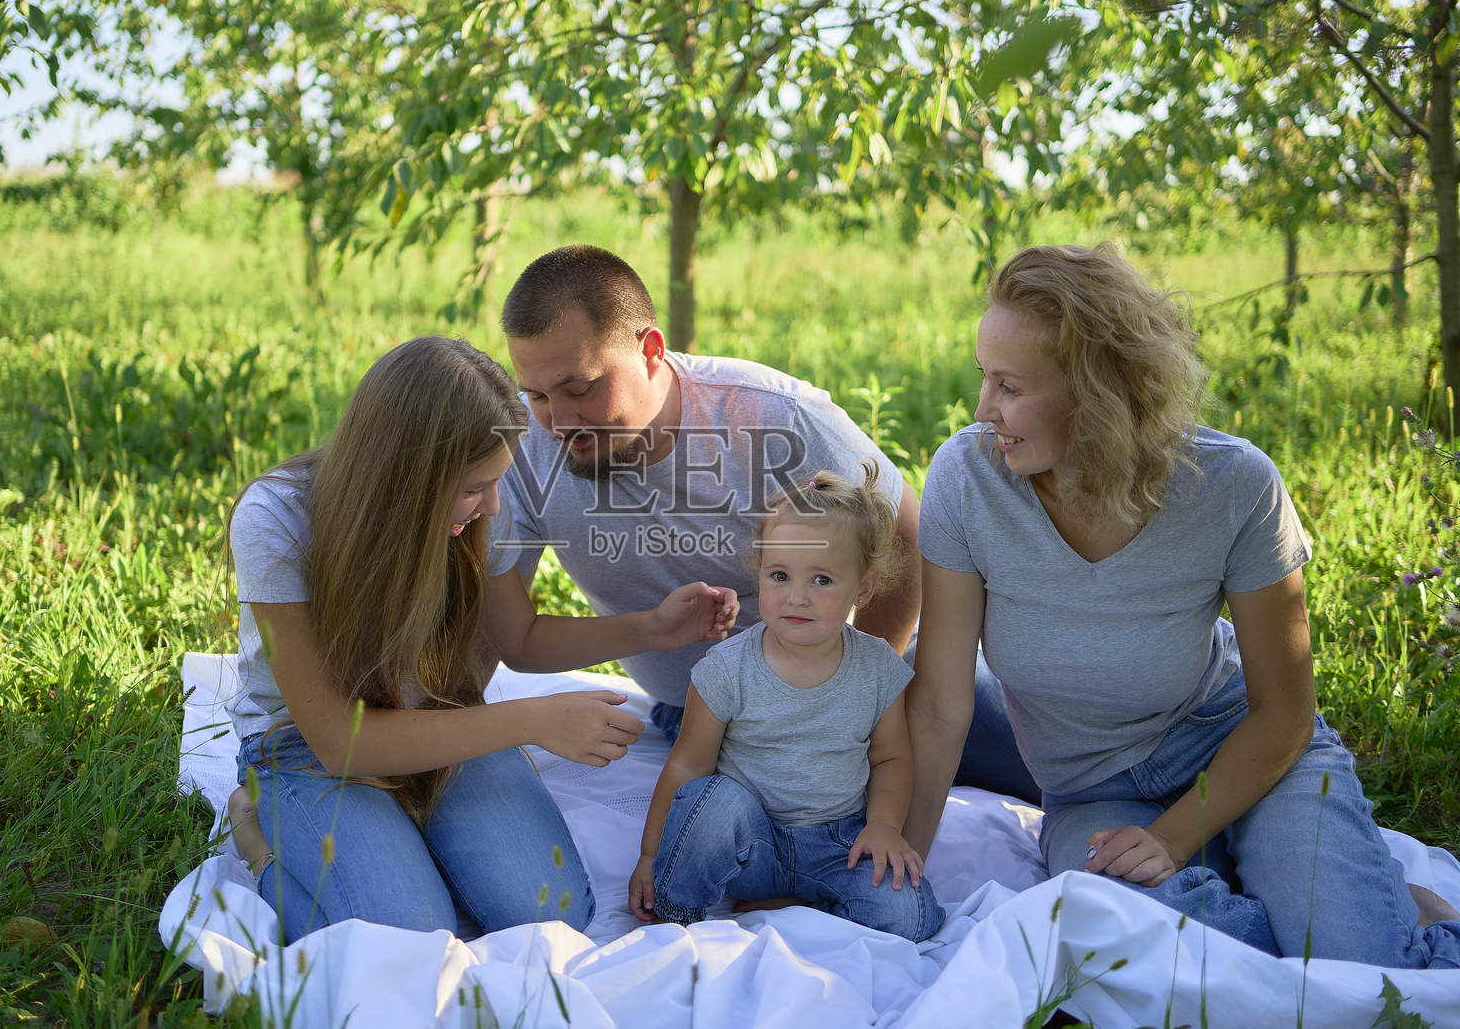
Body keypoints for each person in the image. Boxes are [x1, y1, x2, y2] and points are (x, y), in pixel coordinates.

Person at [905, 242, 1460, 966]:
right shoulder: (967, 480)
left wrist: (1171, 838)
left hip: (1243, 752)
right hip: (1094, 792)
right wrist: (904, 872)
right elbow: (941, 706)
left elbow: (1285, 711)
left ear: (1096, 392)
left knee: (1360, 964)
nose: (983, 410)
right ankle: (1317, 899)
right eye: (985, 377)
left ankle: (1380, 913)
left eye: (1007, 387)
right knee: (1161, 958)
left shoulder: (1235, 485)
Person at [222, 336, 738, 943]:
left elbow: (520, 639)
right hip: (307, 748)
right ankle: (256, 840)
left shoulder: (478, 509)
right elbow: (337, 742)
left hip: (438, 720)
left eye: (496, 482)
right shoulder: (278, 518)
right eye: (473, 487)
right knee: (404, 935)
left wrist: (651, 628)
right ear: (404, 477)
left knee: (549, 911)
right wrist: (534, 721)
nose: (493, 503)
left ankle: (406, 828)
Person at [499, 244, 1041, 803]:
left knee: (1048, 762)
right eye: (537, 394)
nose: (559, 421)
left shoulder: (769, 415)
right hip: (709, 713)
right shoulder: (518, 450)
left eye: (580, 389)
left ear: (651, 351)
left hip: (862, 665)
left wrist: (852, 694)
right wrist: (650, 629)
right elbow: (516, 639)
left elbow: (905, 531)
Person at [628, 467, 942, 942]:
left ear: (862, 588)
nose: (797, 597)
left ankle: (802, 899)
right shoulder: (727, 668)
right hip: (749, 844)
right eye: (779, 576)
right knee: (713, 801)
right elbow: (687, 765)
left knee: (909, 917)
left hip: (837, 844)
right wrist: (651, 856)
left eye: (821, 579)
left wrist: (882, 826)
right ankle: (677, 912)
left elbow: (891, 758)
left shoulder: (877, 667)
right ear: (759, 571)